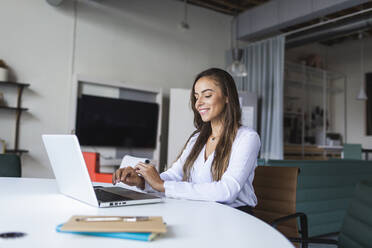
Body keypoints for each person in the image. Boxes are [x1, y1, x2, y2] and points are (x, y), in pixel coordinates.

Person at [112, 68, 261, 212]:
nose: (198, 103)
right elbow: (173, 175)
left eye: (207, 95)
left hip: (235, 215)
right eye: (196, 97)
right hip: (201, 211)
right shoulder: (197, 138)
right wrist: (143, 181)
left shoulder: (247, 138)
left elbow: (226, 191)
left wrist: (161, 185)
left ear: (227, 97)